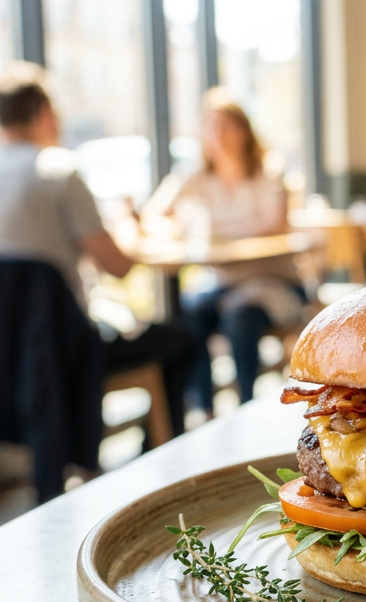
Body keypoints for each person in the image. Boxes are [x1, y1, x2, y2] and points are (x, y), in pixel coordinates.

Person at [0, 63, 193, 448]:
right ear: (45, 113)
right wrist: (127, 224)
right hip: (67, 349)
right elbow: (117, 266)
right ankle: (160, 456)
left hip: (11, 359)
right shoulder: (58, 171)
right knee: (183, 342)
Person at [145, 88, 302, 413]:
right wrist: (176, 229)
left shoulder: (269, 170)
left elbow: (275, 224)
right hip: (223, 282)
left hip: (274, 281)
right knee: (188, 314)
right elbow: (153, 214)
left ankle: (247, 406)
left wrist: (214, 232)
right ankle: (204, 408)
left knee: (239, 315)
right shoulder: (196, 176)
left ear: (243, 131)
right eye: (210, 126)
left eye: (225, 126)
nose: (217, 134)